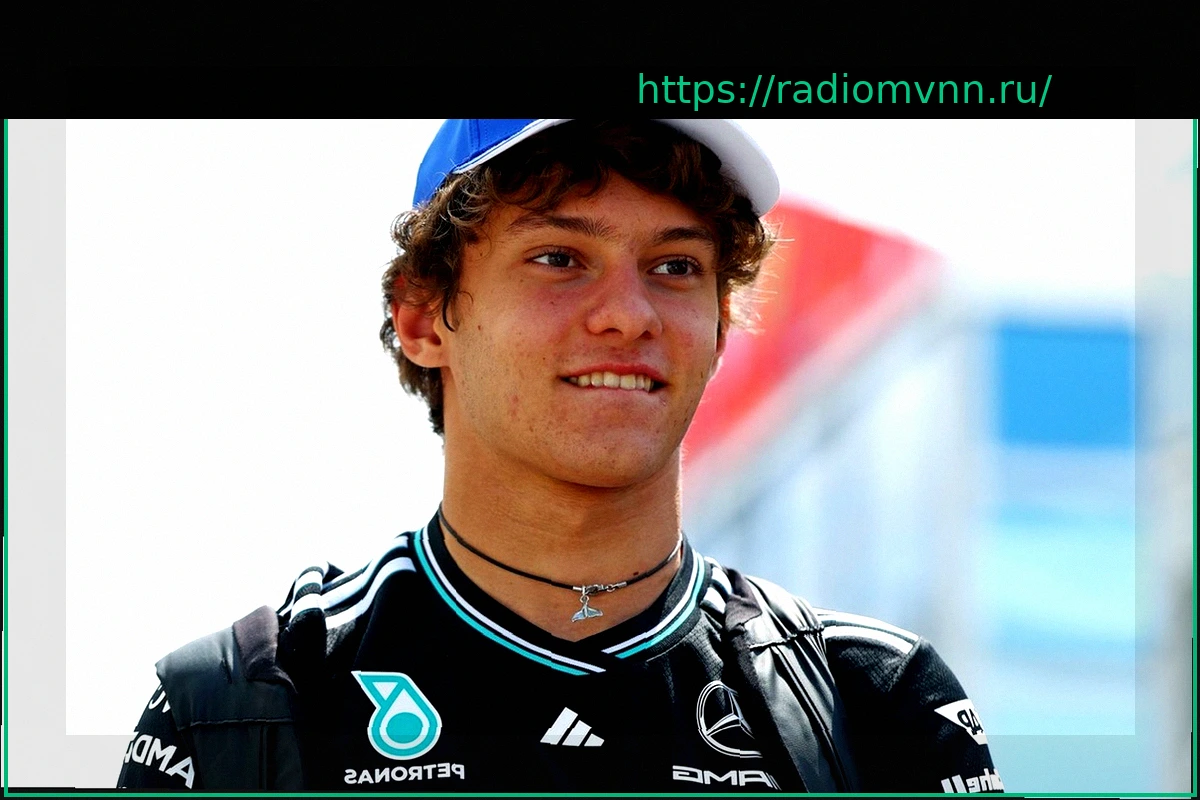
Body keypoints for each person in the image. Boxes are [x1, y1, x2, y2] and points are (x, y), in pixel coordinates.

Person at [117, 119, 1003, 793]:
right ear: (423, 318)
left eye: (676, 267)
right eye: (559, 257)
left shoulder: (879, 703)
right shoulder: (239, 703)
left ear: (720, 328)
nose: (629, 315)